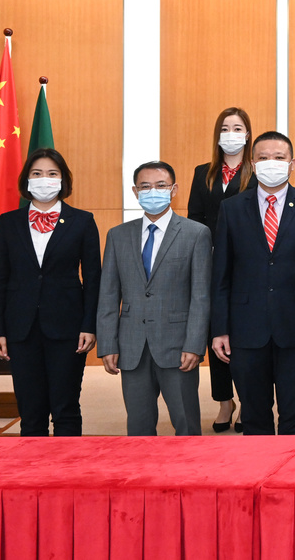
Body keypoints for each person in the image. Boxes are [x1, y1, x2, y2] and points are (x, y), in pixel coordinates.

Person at [212, 131, 295, 436]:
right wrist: (219, 328)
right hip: (245, 328)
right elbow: (221, 274)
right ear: (252, 164)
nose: (271, 163)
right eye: (263, 158)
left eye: (279, 157)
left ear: (292, 163)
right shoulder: (231, 208)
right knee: (254, 414)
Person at [0, 149, 100, 437]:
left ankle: (67, 466)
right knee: (31, 412)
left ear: (63, 180)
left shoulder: (82, 221)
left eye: (52, 173)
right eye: (37, 173)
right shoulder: (8, 222)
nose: (44, 179)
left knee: (66, 409)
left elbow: (93, 279)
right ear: (27, 179)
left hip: (68, 328)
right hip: (20, 329)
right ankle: (32, 465)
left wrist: (90, 325)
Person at [97, 161, 211, 436]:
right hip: (132, 346)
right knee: (138, 427)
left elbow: (200, 296)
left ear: (174, 190)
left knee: (186, 424)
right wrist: (108, 344)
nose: (153, 191)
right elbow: (108, 295)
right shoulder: (118, 235)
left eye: (161, 186)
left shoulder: (196, 233)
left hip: (178, 346)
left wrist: (194, 345)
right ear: (135, 192)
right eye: (145, 186)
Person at [187, 107, 255, 432]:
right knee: (217, 332)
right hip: (212, 264)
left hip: (247, 266)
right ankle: (224, 401)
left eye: (237, 128)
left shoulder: (258, 172)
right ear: (217, 135)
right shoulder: (204, 173)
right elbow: (195, 218)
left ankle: (247, 399)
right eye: (225, 128)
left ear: (247, 134)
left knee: (242, 334)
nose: (231, 134)